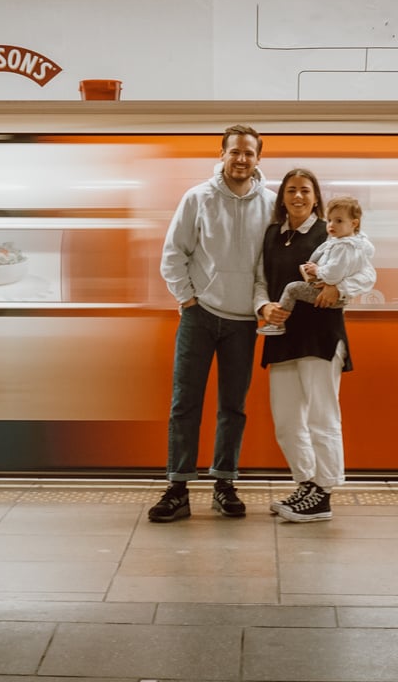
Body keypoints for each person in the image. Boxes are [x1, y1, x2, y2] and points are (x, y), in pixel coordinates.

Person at [148, 124, 277, 523]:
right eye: (234, 152)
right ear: (221, 155)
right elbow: (174, 253)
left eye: (249, 153)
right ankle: (178, 488)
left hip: (243, 322)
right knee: (185, 403)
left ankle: (225, 485)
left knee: (232, 408)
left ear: (258, 159)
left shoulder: (271, 205)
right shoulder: (198, 198)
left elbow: (269, 264)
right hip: (199, 316)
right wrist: (188, 298)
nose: (241, 159)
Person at [256, 171, 374, 522]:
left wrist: (342, 290)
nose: (297, 196)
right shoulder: (272, 236)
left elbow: (367, 273)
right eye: (291, 190)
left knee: (322, 417)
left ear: (315, 197)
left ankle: (324, 491)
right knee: (287, 421)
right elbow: (261, 281)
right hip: (283, 336)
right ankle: (306, 483)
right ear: (282, 198)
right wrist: (264, 307)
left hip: (321, 337)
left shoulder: (333, 229)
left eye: (305, 191)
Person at [256, 195, 375, 336]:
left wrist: (324, 275)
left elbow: (339, 274)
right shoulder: (341, 242)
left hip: (325, 314)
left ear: (354, 224)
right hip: (305, 324)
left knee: (292, 288)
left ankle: (277, 323)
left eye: (339, 221)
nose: (331, 225)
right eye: (329, 220)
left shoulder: (344, 246)